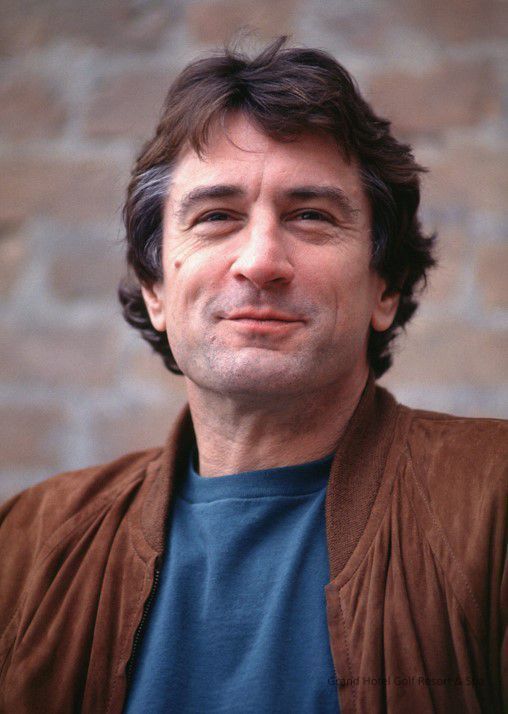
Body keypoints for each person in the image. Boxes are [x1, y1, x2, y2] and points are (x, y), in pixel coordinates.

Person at [0, 38, 506, 714]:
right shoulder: (27, 546)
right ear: (155, 288)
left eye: (311, 216)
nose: (261, 261)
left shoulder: (494, 504)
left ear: (384, 287)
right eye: (216, 217)